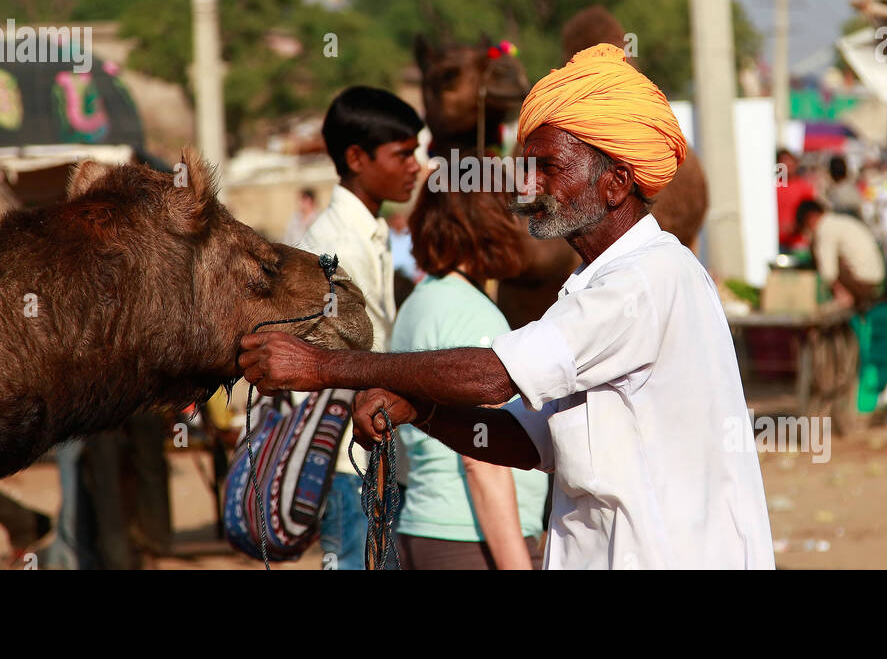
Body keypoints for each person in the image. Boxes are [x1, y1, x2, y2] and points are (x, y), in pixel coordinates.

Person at [239, 45, 775, 569]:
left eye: (548, 168)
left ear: (615, 183)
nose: (525, 187)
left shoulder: (643, 281)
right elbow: (527, 439)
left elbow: (497, 376)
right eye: (526, 166)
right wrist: (423, 410)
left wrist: (321, 367)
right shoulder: (595, 285)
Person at [296, 86, 423, 570]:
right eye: (402, 154)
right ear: (356, 157)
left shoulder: (372, 230)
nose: (415, 165)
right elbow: (351, 365)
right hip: (350, 457)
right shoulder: (336, 244)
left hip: (374, 452)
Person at [391, 182, 547, 569]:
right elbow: (483, 460)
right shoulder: (472, 313)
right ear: (487, 225)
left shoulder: (419, 302)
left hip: (426, 526)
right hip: (472, 541)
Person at [795, 199, 886, 311]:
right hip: (876, 281)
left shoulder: (825, 227)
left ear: (811, 217)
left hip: (862, 283)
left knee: (823, 256)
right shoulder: (839, 221)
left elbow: (828, 272)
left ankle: (843, 297)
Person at [776, 148, 815, 252]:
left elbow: (810, 214)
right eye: (783, 163)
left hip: (798, 242)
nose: (788, 166)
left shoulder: (805, 187)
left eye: (790, 163)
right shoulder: (774, 187)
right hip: (776, 240)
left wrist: (797, 226)